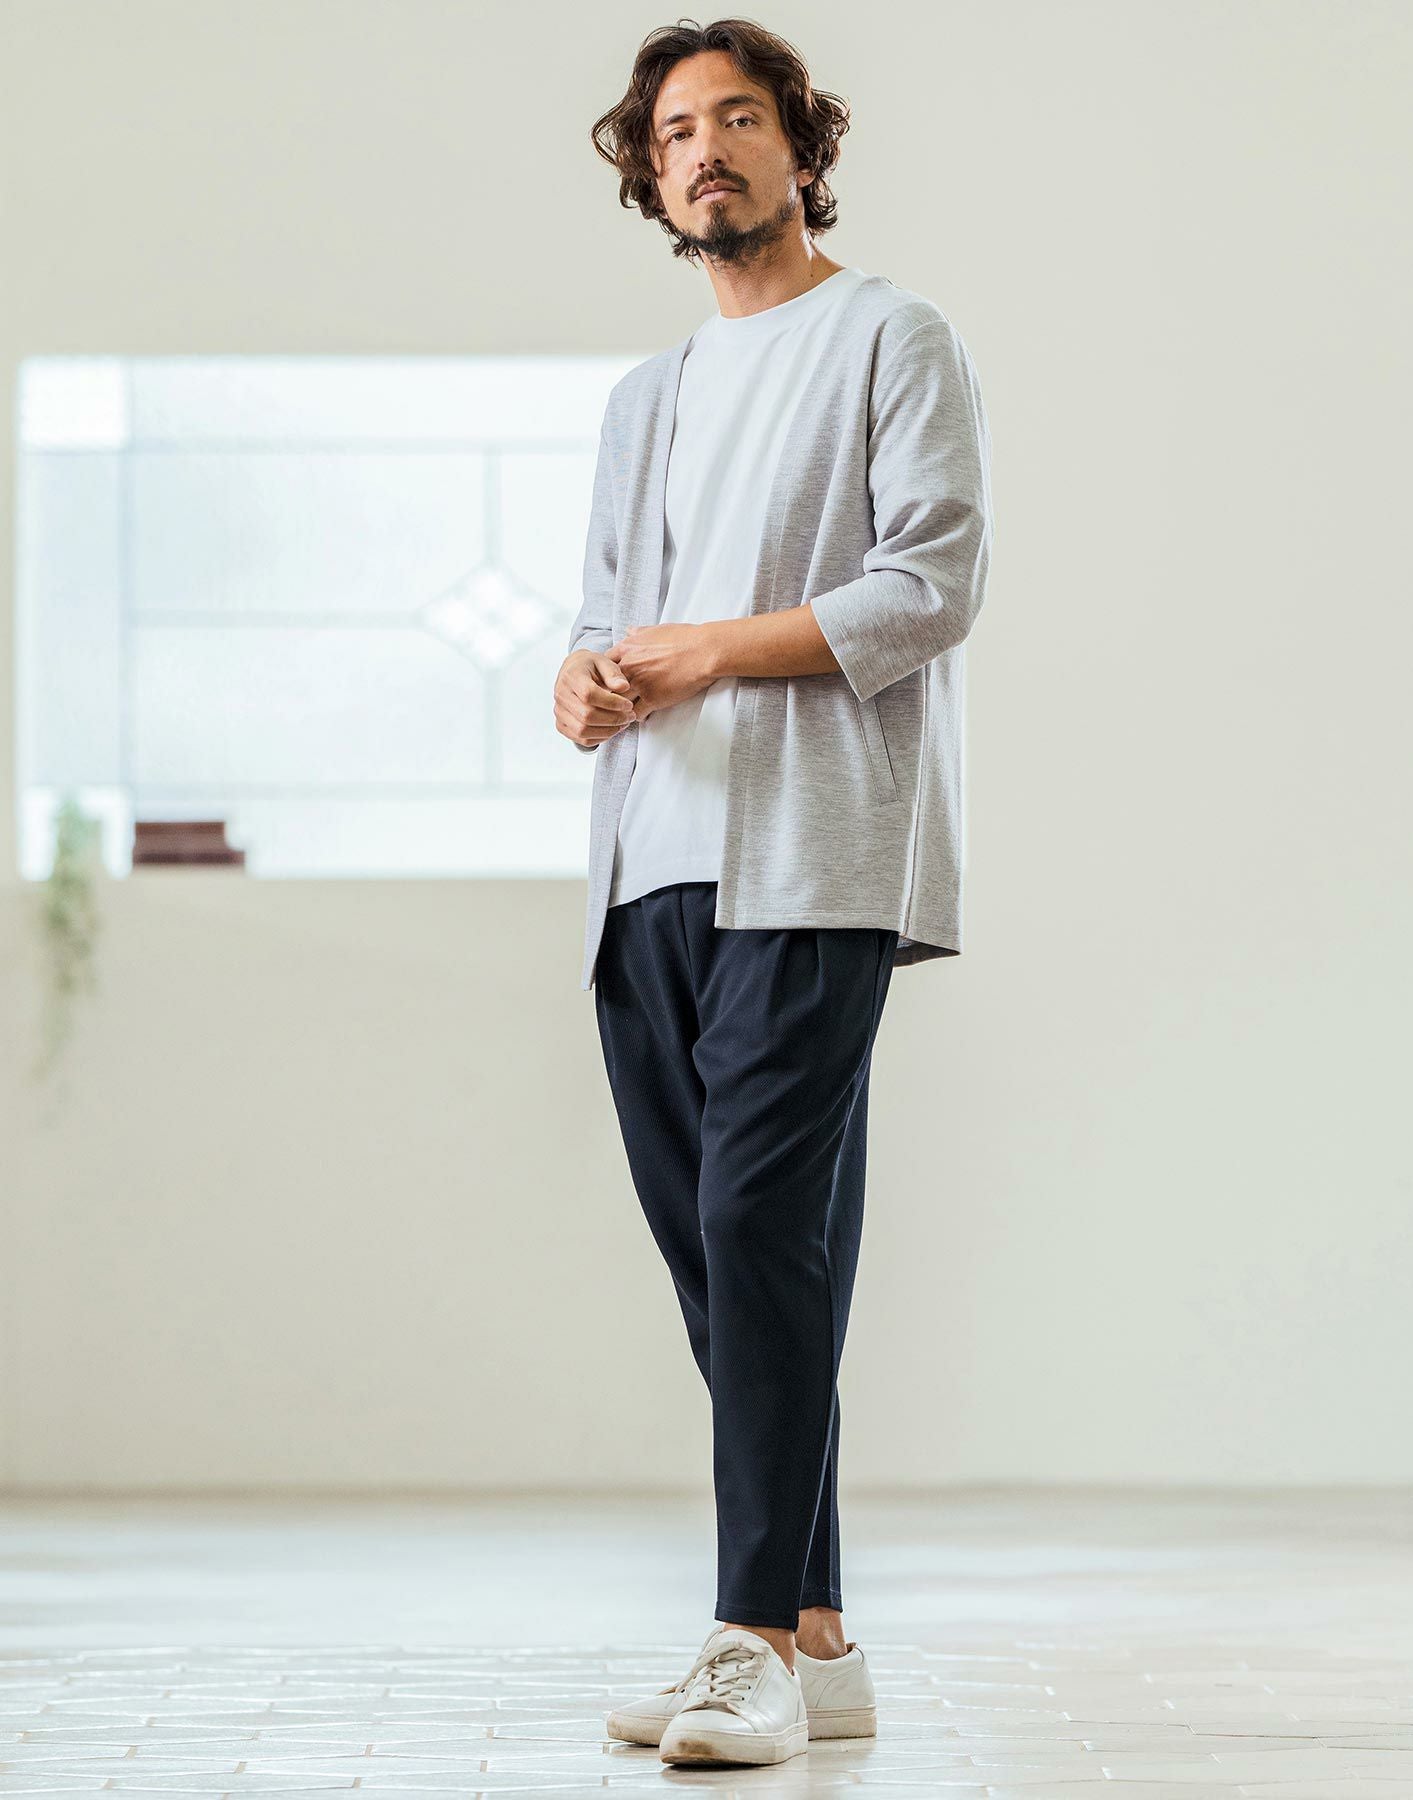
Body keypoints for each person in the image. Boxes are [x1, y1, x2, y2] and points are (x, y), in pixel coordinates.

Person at [554, 16, 992, 1771]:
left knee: (754, 1229)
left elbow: (930, 583)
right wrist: (588, 677)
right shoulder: (643, 400)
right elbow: (606, 620)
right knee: (727, 1258)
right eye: (675, 132)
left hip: (811, 853)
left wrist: (707, 652)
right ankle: (816, 1638)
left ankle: (742, 1638)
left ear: (802, 150)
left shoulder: (891, 335)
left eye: (741, 119)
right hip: (648, 862)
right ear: (650, 178)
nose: (707, 150)